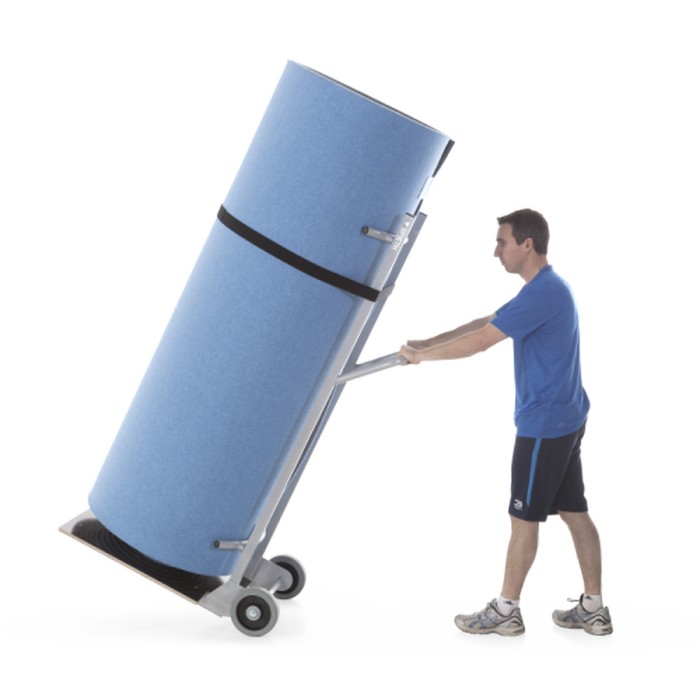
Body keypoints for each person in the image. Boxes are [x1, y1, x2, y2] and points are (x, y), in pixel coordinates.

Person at [399, 209, 612, 636]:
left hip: (545, 425)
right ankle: (594, 607)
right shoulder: (545, 288)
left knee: (523, 518)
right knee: (574, 511)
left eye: (502, 242)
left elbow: (481, 342)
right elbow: (485, 323)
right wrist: (428, 342)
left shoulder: (543, 293)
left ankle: (506, 609)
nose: (496, 251)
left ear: (526, 245)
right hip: (566, 417)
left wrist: (423, 358)